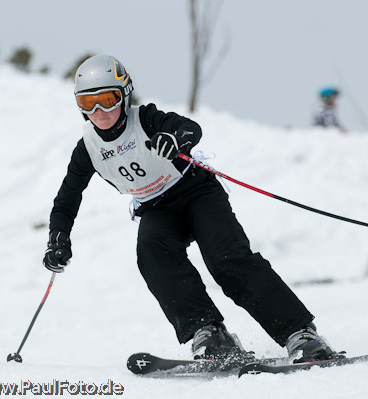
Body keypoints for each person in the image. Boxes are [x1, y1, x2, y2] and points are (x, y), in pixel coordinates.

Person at [42, 54, 344, 363]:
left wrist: (173, 138)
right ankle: (210, 333)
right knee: (151, 251)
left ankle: (300, 333)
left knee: (226, 259)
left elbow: (189, 128)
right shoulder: (88, 148)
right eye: (88, 102)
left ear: (125, 94)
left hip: (197, 192)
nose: (99, 111)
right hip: (157, 208)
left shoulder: (145, 119)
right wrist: (58, 238)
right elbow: (67, 198)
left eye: (108, 99)